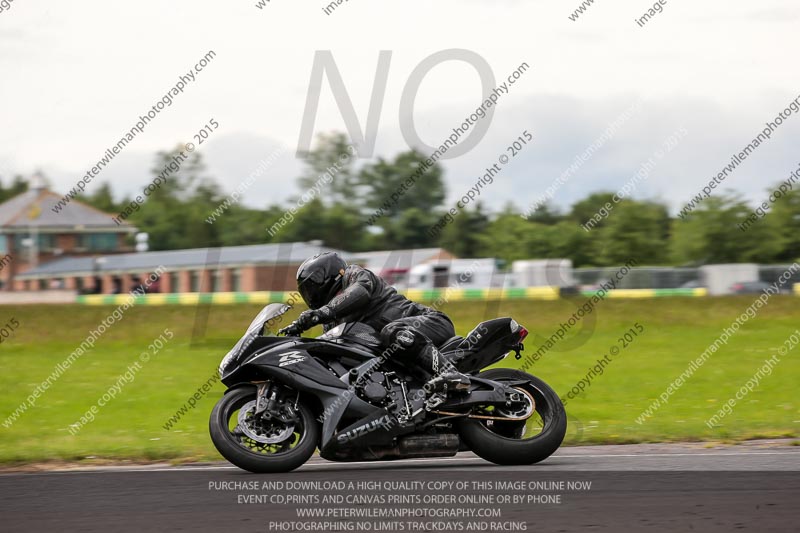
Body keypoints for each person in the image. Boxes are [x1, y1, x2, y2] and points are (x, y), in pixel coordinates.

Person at [279, 252, 470, 396]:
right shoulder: (333, 323)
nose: (310, 294)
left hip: (431, 323)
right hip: (402, 354)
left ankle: (450, 373)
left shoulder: (355, 275)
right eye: (306, 290)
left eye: (312, 287)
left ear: (328, 277)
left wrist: (319, 314)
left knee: (392, 330)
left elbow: (359, 293)